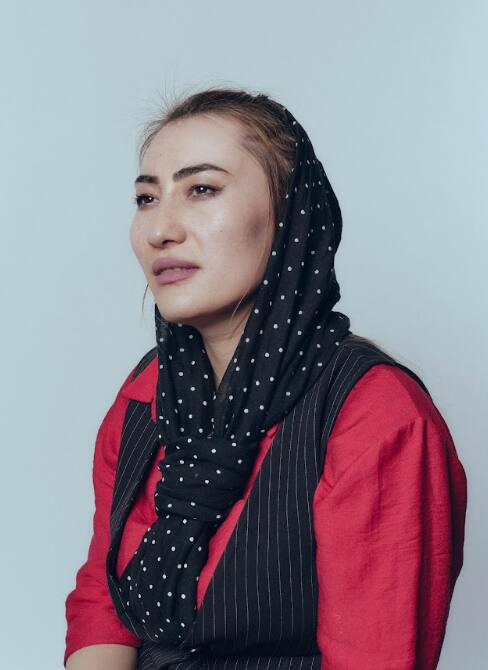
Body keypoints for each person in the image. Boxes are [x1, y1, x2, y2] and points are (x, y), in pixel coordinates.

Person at [64, 88, 467, 670]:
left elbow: (377, 654)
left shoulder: (373, 414)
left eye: (202, 189)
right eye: (147, 198)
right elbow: (104, 605)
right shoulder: (145, 395)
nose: (160, 230)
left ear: (290, 214)